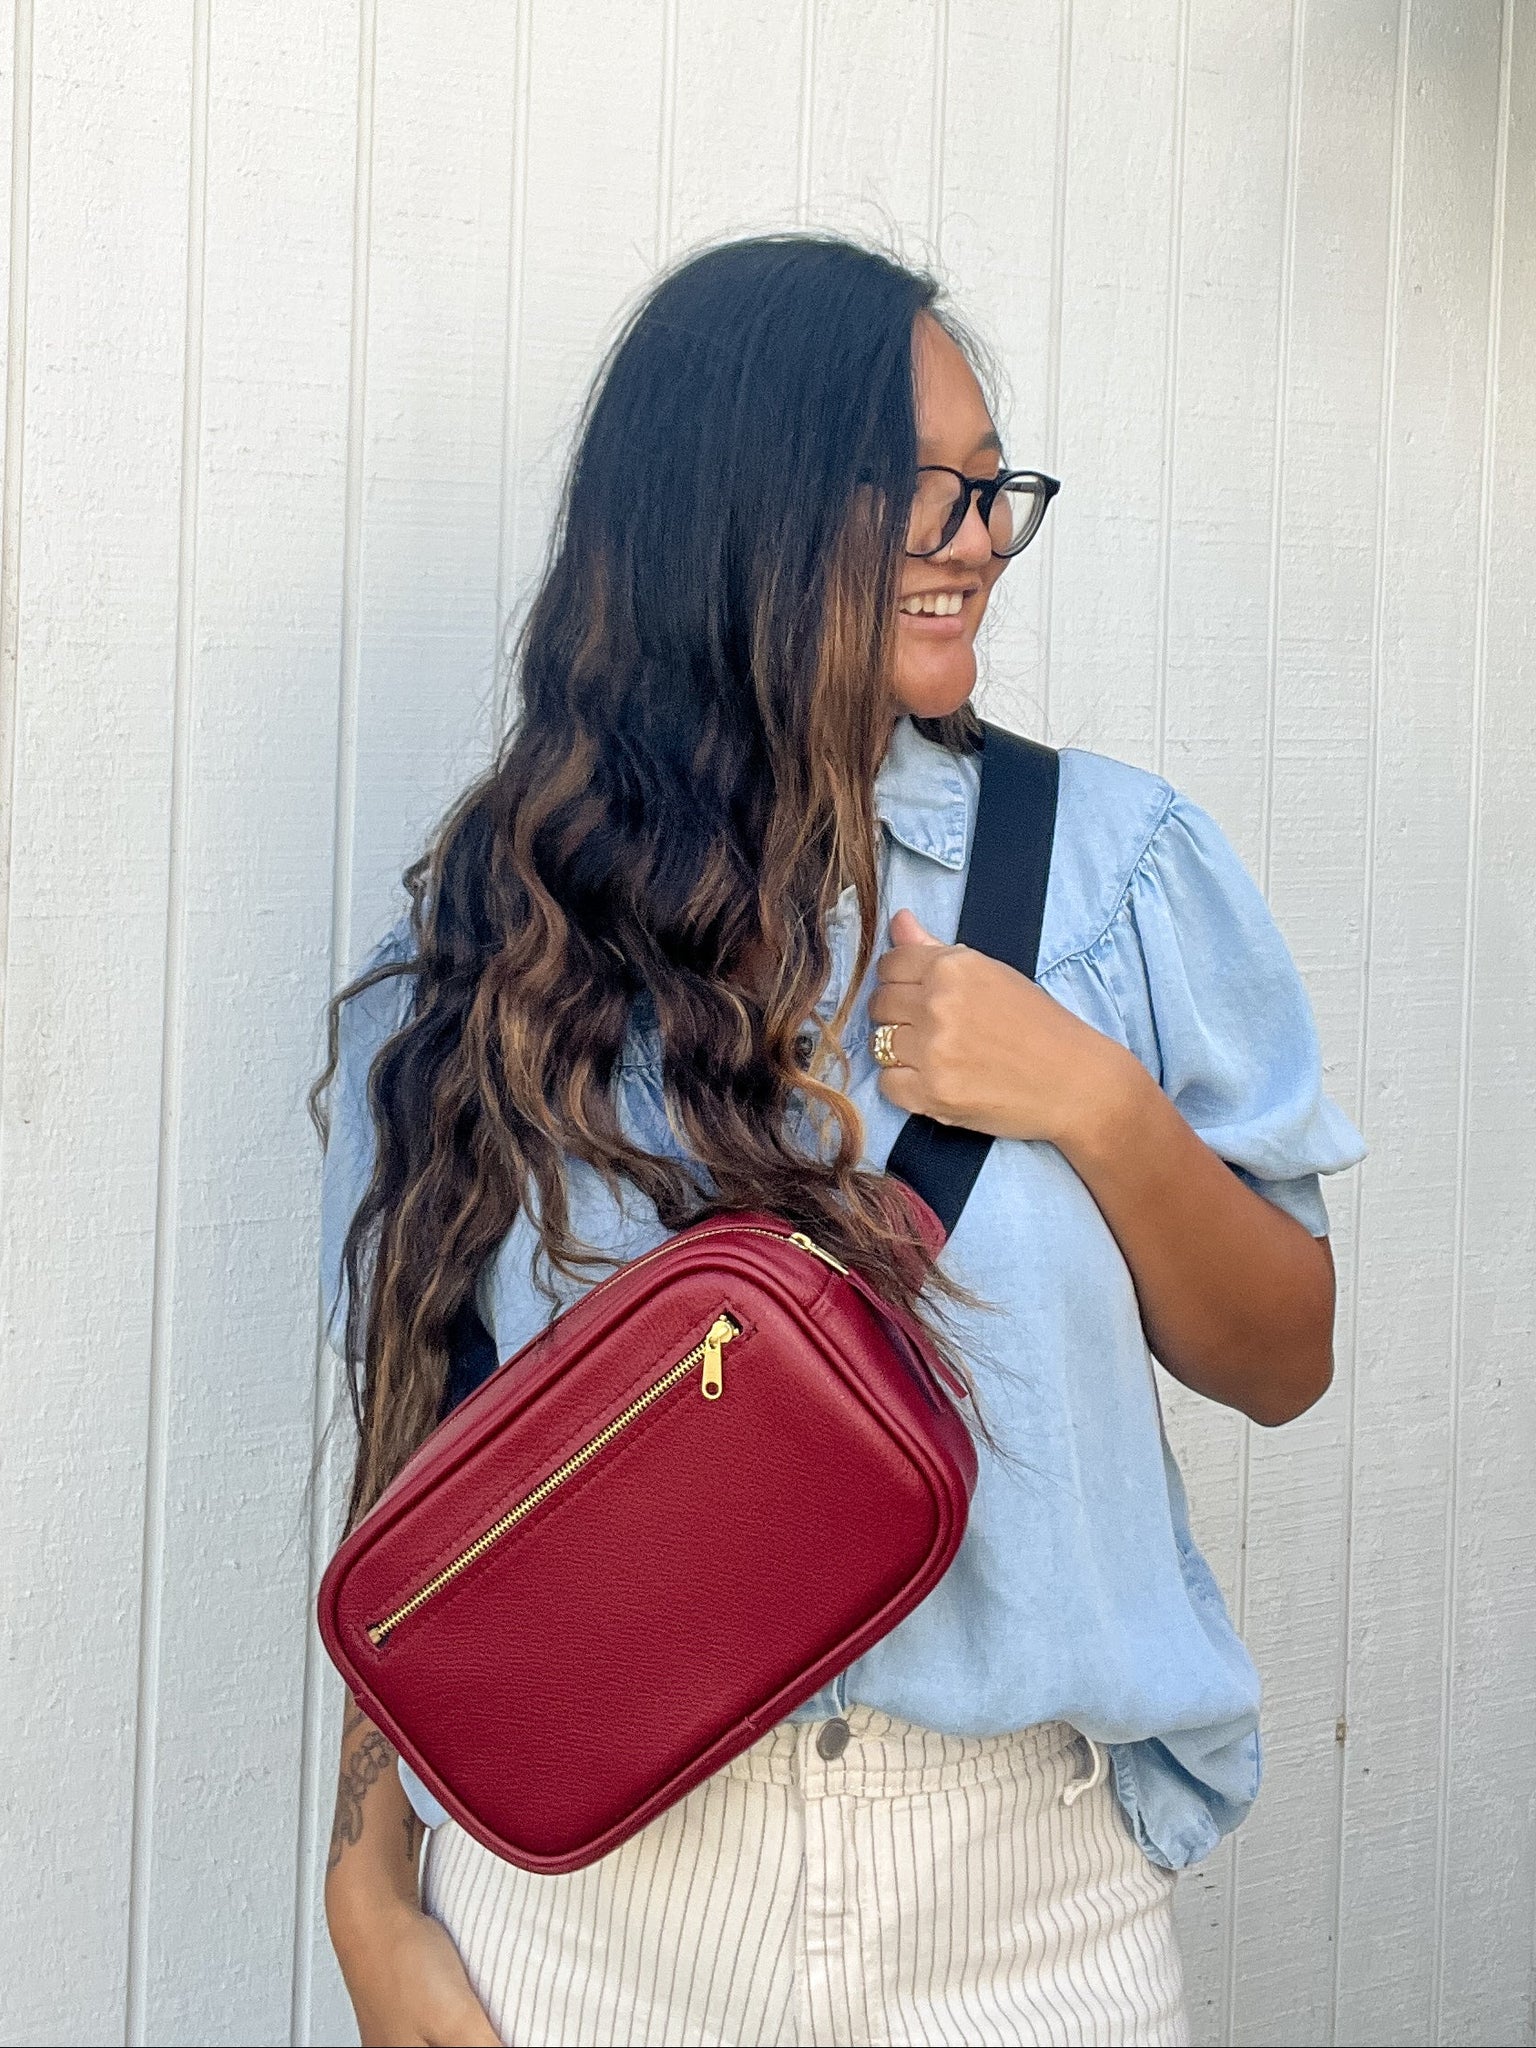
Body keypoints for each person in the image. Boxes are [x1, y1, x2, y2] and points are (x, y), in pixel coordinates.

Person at [314, 232, 1366, 2048]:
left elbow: (1284, 1359)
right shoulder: (500, 934)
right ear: (732, 503)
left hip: (1020, 1920)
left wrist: (1094, 1100)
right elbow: (430, 1438)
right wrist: (365, 1884)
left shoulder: (1112, 873)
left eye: (991, 487)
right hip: (590, 1905)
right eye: (915, 486)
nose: (977, 538)